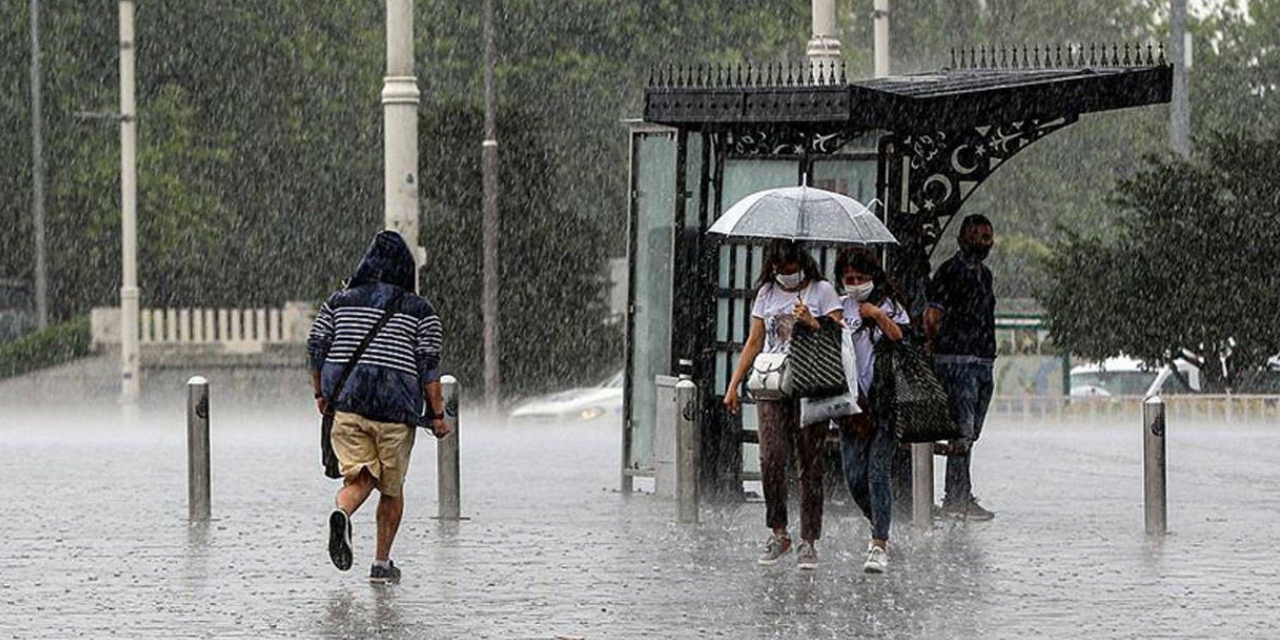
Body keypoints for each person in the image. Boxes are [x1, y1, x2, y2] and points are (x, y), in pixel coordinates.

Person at [307, 230, 449, 584]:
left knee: (361, 476)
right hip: (395, 412)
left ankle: (342, 511)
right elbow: (428, 367)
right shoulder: (420, 311)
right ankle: (382, 564)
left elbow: (316, 347)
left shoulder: (338, 302)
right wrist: (437, 415)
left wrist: (320, 393)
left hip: (349, 405)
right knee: (391, 488)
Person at [724, 240, 842, 570]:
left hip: (810, 384)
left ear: (801, 264)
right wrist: (734, 384)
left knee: (809, 461)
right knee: (771, 456)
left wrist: (812, 322)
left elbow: (839, 336)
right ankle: (779, 531)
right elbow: (755, 340)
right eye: (779, 270)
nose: (785, 276)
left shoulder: (822, 291)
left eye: (790, 270)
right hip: (773, 383)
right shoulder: (766, 293)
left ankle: (808, 538)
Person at [833, 246, 908, 574]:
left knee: (878, 471)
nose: (854, 283)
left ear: (872, 277)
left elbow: (901, 336)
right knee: (854, 476)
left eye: (860, 278)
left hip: (885, 401)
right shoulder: (839, 306)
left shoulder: (889, 303)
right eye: (848, 278)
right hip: (852, 404)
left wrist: (876, 314)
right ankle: (879, 520)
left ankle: (880, 542)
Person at [924, 214, 997, 521]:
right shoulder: (949, 273)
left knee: (971, 431)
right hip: (956, 361)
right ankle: (956, 496)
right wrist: (935, 346)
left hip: (981, 361)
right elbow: (932, 315)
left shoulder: (985, 275)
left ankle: (960, 492)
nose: (983, 242)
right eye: (976, 235)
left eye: (987, 236)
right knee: (962, 430)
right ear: (961, 239)